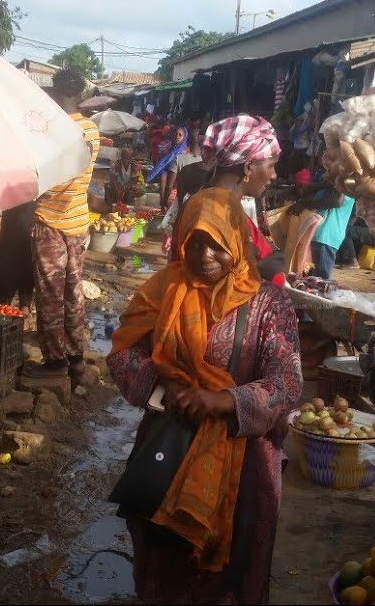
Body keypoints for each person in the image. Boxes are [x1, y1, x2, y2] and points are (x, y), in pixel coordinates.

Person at [107, 186, 302, 605]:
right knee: (165, 554)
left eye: (216, 244)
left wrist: (227, 400)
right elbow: (124, 353)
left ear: (236, 242)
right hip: (169, 443)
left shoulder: (271, 305)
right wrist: (166, 388)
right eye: (194, 243)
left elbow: (287, 382)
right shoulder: (163, 290)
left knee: (232, 565)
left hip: (244, 460)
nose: (204, 255)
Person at [28, 68, 101, 378]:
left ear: (57, 93)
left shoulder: (53, 131)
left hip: (51, 222)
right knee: (73, 291)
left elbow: (47, 181)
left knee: (50, 294)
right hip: (79, 220)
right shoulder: (91, 130)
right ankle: (75, 356)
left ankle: (55, 361)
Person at [168, 114, 285, 286]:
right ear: (248, 167)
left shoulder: (222, 205)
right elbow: (213, 275)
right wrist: (263, 266)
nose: (274, 175)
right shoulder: (215, 209)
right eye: (271, 165)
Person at [0, 201, 36, 319]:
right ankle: (4, 306)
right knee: (12, 248)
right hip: (14, 200)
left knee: (24, 248)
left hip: (27, 199)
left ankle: (22, 309)